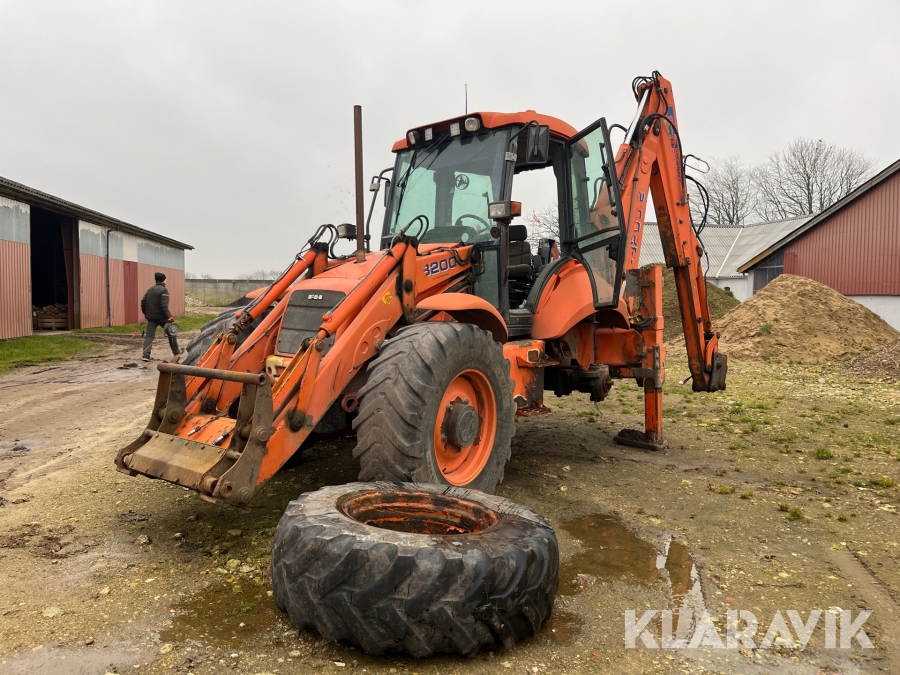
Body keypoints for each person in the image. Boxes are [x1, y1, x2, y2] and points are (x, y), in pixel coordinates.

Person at [140, 272, 181, 361]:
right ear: (163, 280)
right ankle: (176, 352)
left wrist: (146, 314)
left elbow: (143, 302)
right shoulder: (164, 290)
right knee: (171, 333)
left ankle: (145, 355)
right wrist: (169, 316)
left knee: (149, 336)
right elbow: (164, 306)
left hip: (151, 318)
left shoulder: (149, 290)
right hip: (163, 318)